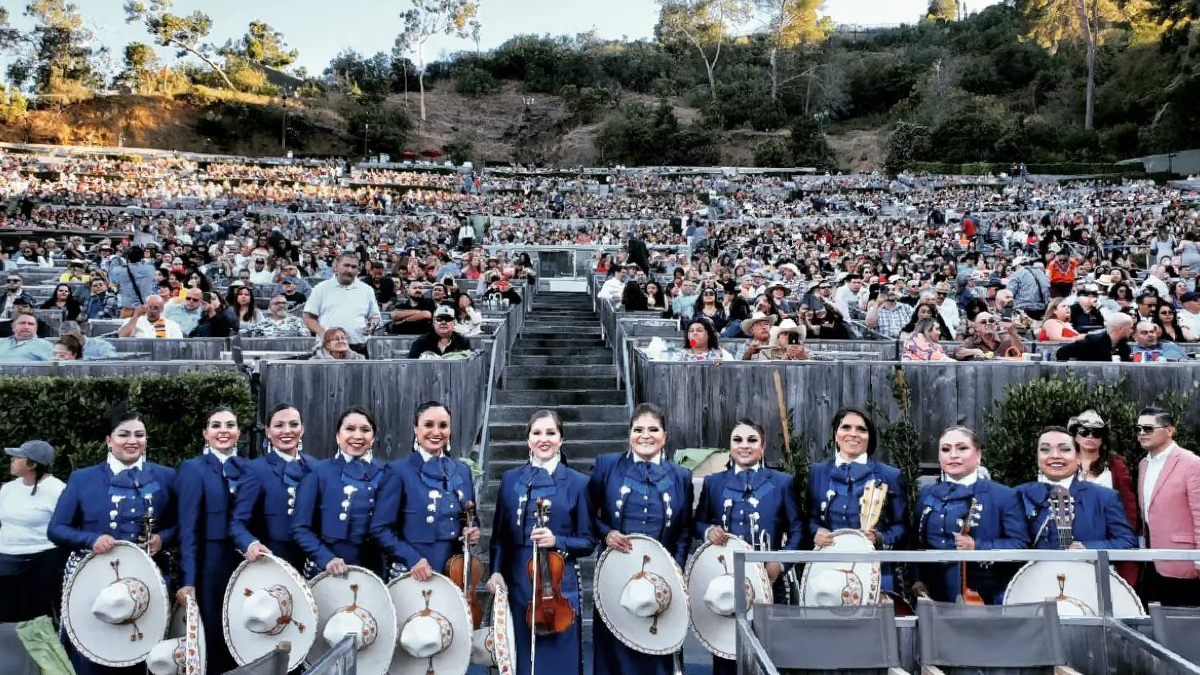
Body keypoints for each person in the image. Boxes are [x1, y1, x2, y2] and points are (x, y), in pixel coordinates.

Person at [49, 411, 178, 675]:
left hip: (149, 581)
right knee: (92, 651)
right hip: (93, 582)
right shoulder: (83, 478)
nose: (132, 440)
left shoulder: (167, 477)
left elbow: (184, 526)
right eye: (124, 434)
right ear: (109, 440)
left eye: (139, 435)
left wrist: (162, 539)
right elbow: (56, 529)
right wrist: (90, 539)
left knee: (145, 653)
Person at [486, 411, 595, 675]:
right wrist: (496, 571)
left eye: (550, 433)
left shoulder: (578, 483)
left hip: (557, 580)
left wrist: (557, 540)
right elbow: (500, 536)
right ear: (527, 439)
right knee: (520, 653)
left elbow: (588, 541)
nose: (543, 439)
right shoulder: (511, 480)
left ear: (561, 439)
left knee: (559, 654)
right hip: (517, 579)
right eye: (536, 433)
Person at [589, 403, 693, 675]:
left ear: (665, 436)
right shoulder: (607, 466)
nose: (645, 435)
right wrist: (606, 533)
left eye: (653, 429)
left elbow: (684, 529)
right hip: (615, 572)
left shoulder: (681, 477)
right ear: (629, 434)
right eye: (638, 429)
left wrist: (678, 566)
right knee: (614, 648)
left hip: (663, 576)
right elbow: (587, 514)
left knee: (658, 647)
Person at [694, 419, 801, 675]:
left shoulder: (783, 482)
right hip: (725, 582)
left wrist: (781, 563)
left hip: (771, 584)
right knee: (726, 653)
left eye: (752, 440)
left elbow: (799, 531)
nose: (745, 445)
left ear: (763, 447)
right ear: (730, 446)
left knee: (770, 655)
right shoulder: (713, 482)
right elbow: (697, 522)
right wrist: (709, 531)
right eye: (737, 440)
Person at [914, 426, 1028, 604]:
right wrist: (917, 581)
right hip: (932, 598)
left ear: (978, 454)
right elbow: (915, 544)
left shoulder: (1003, 496)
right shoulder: (927, 494)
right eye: (945, 449)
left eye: (962, 448)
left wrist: (977, 547)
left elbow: (1020, 546)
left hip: (985, 598)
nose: (953, 455)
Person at [371, 401, 480, 580]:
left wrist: (473, 530)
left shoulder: (462, 470)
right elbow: (380, 529)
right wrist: (412, 558)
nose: (436, 432)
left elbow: (472, 517)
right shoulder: (398, 471)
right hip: (414, 573)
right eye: (428, 425)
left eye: (443, 426)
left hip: (456, 572)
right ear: (416, 428)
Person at [175, 407, 246, 673]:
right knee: (214, 633)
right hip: (210, 564)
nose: (223, 431)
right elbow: (187, 528)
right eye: (216, 426)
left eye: (230, 425)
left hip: (244, 562)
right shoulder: (193, 469)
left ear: (238, 432)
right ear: (206, 433)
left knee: (243, 628)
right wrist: (189, 579)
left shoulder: (248, 468)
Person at [808, 409, 907, 592]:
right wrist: (815, 533)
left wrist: (879, 539)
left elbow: (902, 527)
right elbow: (810, 519)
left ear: (870, 438)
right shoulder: (817, 472)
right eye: (846, 427)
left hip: (876, 572)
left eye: (861, 429)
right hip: (827, 571)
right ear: (836, 435)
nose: (853, 434)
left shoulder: (890, 475)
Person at [292, 405, 387, 578]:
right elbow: (300, 528)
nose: (357, 436)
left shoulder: (387, 473)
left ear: (372, 438)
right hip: (329, 570)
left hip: (376, 571)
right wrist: (326, 558)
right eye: (350, 429)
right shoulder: (318, 472)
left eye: (365, 430)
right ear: (338, 436)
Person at [1015, 427, 1136, 553]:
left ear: (1078, 457)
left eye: (1065, 449)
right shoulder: (1017, 496)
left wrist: (1087, 548)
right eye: (1045, 449)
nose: (1055, 455)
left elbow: (1127, 541)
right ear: (1038, 457)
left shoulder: (1105, 497)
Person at [232, 404, 320, 571]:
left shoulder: (317, 468)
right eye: (279, 425)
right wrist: (251, 544)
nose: (287, 431)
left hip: (314, 562)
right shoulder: (256, 470)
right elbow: (237, 522)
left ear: (302, 429)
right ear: (268, 431)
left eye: (294, 424)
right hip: (272, 562)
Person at [1136, 407, 1200, 607]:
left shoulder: (1192, 463)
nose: (1142, 434)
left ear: (1170, 430)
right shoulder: (1143, 465)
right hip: (1152, 563)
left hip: (1185, 564)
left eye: (1148, 428)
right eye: (1138, 429)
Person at [0, 440, 65, 623]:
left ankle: (41, 651)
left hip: (41, 561)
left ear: (33, 464)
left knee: (35, 618)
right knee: (5, 616)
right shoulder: (8, 489)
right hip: (5, 561)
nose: (12, 459)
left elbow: (66, 526)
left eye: (18, 457)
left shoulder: (57, 490)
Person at [304, 252, 381, 354]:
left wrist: (372, 325)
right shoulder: (321, 288)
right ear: (336, 266)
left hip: (358, 348)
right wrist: (323, 333)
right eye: (346, 265)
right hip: (328, 348)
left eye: (354, 267)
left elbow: (375, 316)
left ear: (358, 269)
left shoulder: (367, 290)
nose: (349, 270)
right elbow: (308, 317)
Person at [1055, 313, 1134, 362]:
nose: (1132, 331)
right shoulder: (1092, 342)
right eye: (1130, 328)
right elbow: (1062, 351)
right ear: (1120, 329)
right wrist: (1067, 373)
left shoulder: (1124, 347)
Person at [407, 305, 472, 359]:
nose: (443, 322)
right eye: (439, 319)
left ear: (454, 322)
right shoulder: (421, 342)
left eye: (448, 319)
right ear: (433, 322)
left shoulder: (463, 342)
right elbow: (411, 367)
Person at [954, 311, 1025, 360]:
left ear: (995, 325)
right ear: (976, 328)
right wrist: (975, 351)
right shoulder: (972, 340)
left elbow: (1023, 353)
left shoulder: (1006, 339)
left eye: (991, 321)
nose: (988, 323)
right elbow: (957, 353)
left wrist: (1013, 334)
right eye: (983, 322)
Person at [117, 295, 184, 339]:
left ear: (161, 309)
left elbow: (178, 344)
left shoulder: (171, 325)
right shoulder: (133, 321)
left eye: (156, 308)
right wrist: (136, 316)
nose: (152, 311)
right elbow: (122, 337)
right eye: (149, 307)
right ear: (145, 307)